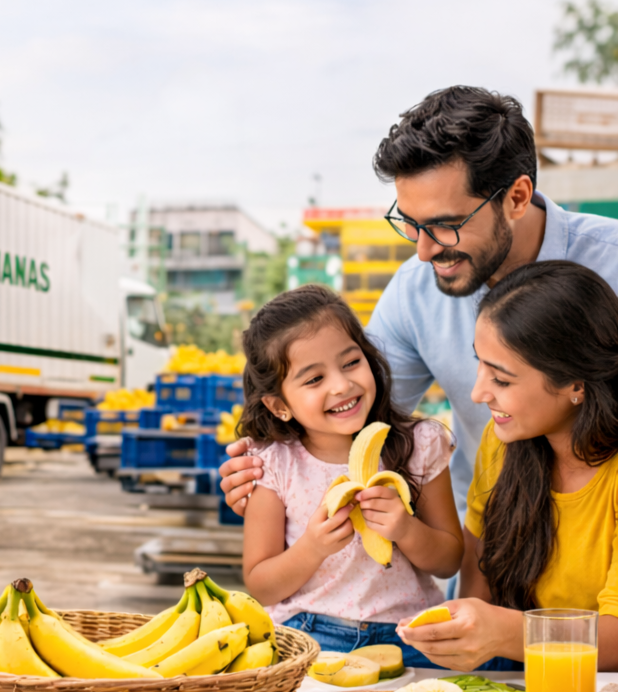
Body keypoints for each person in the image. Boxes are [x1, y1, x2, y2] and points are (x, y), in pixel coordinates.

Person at [220, 86, 618, 525]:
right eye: (410, 224)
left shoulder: (611, 262)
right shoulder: (415, 291)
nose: (425, 251)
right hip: (493, 541)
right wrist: (269, 465)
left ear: (517, 198)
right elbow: (360, 413)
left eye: (446, 226)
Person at [399, 261, 618, 672]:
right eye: (479, 363)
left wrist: (501, 631)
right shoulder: (501, 443)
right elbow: (478, 555)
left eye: (501, 379)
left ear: (576, 384)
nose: (479, 392)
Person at [237, 285, 462, 663]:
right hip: (310, 635)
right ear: (279, 406)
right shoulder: (275, 466)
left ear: (369, 359)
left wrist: (406, 530)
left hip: (409, 636)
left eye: (350, 363)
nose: (341, 385)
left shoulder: (419, 445)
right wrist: (311, 548)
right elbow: (260, 586)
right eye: (313, 380)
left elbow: (449, 559)